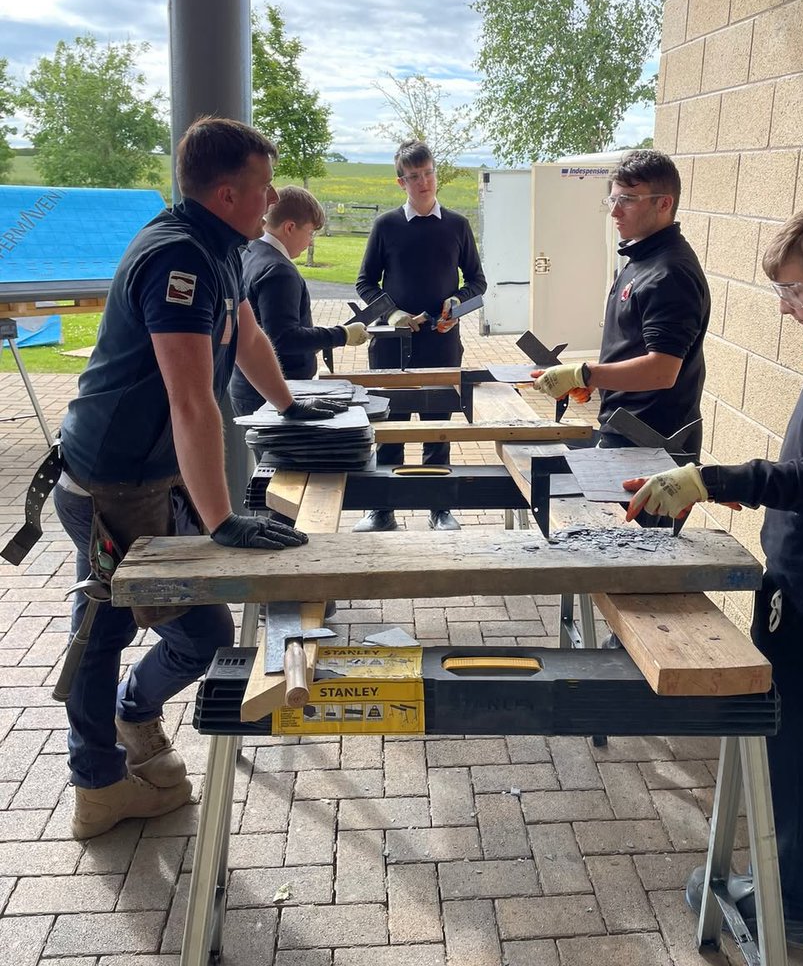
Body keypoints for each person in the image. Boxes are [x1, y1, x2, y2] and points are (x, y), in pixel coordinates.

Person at [51, 116, 340, 840]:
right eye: (262, 185)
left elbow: (245, 335)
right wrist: (219, 523)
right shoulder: (178, 257)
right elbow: (191, 399)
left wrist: (291, 406)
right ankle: (100, 782)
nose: (273, 197)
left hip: (147, 477)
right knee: (111, 628)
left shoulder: (223, 247)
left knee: (185, 629)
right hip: (111, 486)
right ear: (224, 192)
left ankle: (129, 724)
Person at [626, 202, 803, 949]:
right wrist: (736, 485)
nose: (783, 307)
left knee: (793, 743)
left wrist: (712, 479)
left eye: (794, 291)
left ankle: (792, 905)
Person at [532, 149, 710, 487]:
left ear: (663, 204)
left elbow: (662, 371)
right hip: (628, 432)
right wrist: (595, 381)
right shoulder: (642, 258)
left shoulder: (669, 273)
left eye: (627, 199)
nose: (614, 211)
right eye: (612, 199)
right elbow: (633, 349)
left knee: (638, 541)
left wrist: (583, 374)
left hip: (653, 445)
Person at [353, 139, 486, 533]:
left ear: (435, 174)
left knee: (437, 427)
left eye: (428, 173)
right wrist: (392, 313)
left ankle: (438, 507)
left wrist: (455, 303)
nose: (424, 182)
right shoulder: (386, 226)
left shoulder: (458, 226)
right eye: (414, 177)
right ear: (401, 183)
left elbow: (477, 282)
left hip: (443, 344)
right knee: (389, 428)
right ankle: (382, 509)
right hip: (391, 348)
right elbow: (364, 283)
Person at [229, 185, 369, 417]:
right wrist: (341, 335)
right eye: (310, 232)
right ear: (290, 228)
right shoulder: (279, 271)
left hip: (250, 387)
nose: (311, 242)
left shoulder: (250, 251)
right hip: (276, 392)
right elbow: (284, 338)